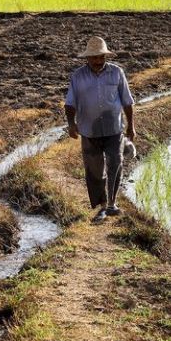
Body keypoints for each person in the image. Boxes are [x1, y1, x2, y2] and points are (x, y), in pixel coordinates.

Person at [65, 37, 136, 222]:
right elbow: (70, 103)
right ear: (87, 58)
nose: (98, 61)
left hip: (114, 128)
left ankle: (112, 203)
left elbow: (127, 101)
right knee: (95, 170)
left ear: (105, 56)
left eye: (101, 57)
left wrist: (131, 127)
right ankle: (102, 206)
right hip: (89, 130)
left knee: (115, 163)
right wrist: (71, 124)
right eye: (94, 57)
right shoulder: (78, 76)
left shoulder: (116, 73)